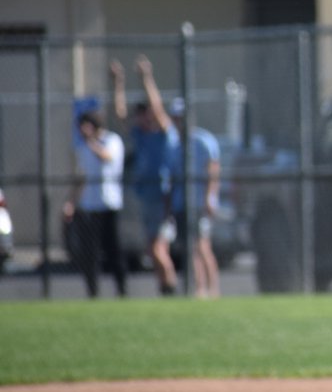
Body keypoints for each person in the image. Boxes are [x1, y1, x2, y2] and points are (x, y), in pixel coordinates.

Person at [112, 56, 180, 295]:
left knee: (157, 249)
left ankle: (171, 286)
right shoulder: (140, 135)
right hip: (146, 197)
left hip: (163, 198)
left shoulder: (164, 134)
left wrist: (146, 78)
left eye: (144, 113)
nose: (140, 117)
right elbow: (120, 115)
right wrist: (118, 82)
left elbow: (158, 109)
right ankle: (165, 287)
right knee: (155, 250)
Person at [63, 110, 127, 297]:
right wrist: (72, 203)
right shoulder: (82, 148)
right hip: (89, 207)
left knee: (114, 251)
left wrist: (91, 141)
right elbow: (81, 177)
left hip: (109, 205)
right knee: (89, 253)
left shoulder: (112, 141)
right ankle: (93, 292)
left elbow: (107, 158)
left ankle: (121, 291)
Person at [166, 97, 223, 298]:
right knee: (189, 249)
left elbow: (213, 171)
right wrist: (170, 205)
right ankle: (198, 289)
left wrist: (210, 198)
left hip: (198, 203)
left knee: (202, 246)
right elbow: (172, 178)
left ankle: (213, 289)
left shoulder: (203, 140)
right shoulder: (174, 145)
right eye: (175, 117)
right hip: (181, 204)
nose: (178, 121)